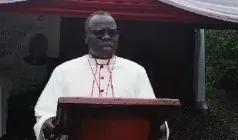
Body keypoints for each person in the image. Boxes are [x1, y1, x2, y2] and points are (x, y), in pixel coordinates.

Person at [33, 11, 169, 140]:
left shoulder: (136, 71)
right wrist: (47, 123)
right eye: (99, 32)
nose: (106, 36)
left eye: (112, 32)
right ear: (86, 37)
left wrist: (160, 126)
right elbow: (45, 113)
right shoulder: (64, 71)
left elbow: (152, 113)